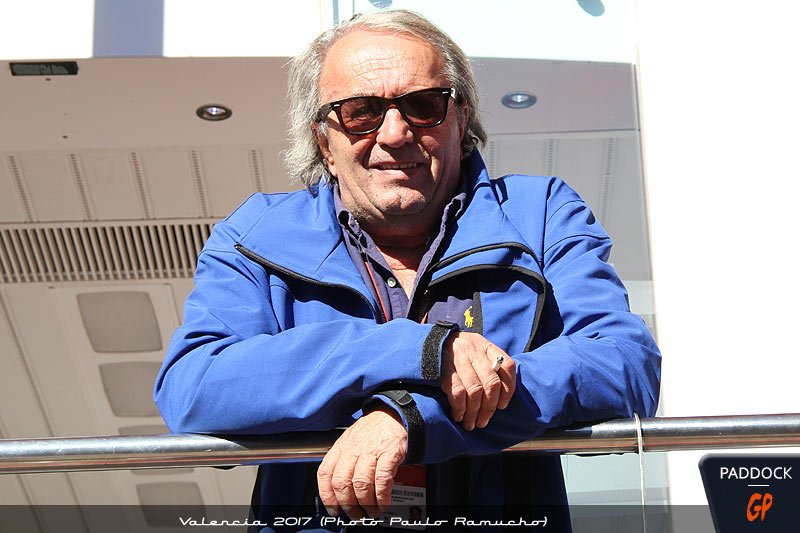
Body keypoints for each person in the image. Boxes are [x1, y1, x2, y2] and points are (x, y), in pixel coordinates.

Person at [154, 9, 660, 532]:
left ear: (461, 120)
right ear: (325, 142)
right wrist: (421, 351)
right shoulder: (253, 233)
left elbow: (624, 365)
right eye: (360, 112)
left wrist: (411, 418)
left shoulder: (542, 214)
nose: (395, 134)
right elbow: (194, 389)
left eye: (423, 106)